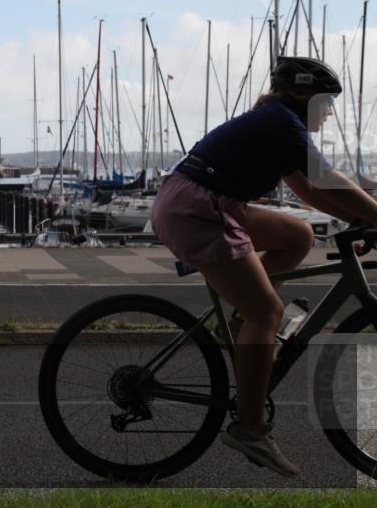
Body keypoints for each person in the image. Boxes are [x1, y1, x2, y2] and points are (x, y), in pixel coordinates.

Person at [150, 56, 377, 478]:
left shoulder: (277, 124)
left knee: (299, 237)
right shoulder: (280, 124)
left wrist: (361, 220)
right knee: (268, 312)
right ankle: (250, 429)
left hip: (209, 203)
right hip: (198, 210)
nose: (329, 112)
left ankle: (238, 324)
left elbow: (314, 194)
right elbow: (330, 180)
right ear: (303, 96)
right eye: (326, 102)